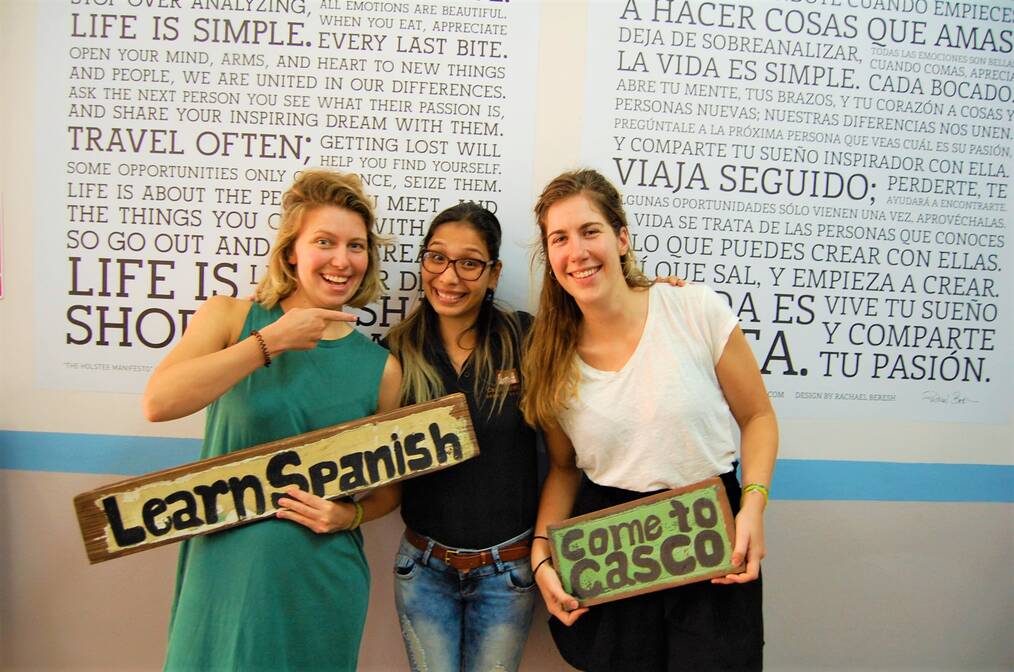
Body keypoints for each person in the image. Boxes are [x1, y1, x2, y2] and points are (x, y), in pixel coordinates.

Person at [142, 169, 402, 671]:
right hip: (221, 573)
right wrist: (272, 341)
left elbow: (390, 490)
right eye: (324, 242)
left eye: (356, 246)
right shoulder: (230, 318)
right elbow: (159, 402)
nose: (341, 260)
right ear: (291, 253)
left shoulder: (381, 369)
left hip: (321, 582)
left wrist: (350, 516)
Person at [521, 169, 778, 671]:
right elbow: (564, 469)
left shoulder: (691, 309)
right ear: (550, 258)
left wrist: (753, 506)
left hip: (709, 530)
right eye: (560, 238)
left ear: (621, 237)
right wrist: (541, 557)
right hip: (612, 547)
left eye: (590, 231)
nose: (577, 251)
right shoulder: (549, 360)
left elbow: (759, 416)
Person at [383, 202, 539, 672]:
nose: (449, 277)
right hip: (422, 569)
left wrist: (655, 295)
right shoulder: (396, 352)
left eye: (470, 263)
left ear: (493, 273)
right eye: (437, 257)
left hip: (508, 571)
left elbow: (564, 459)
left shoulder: (525, 339)